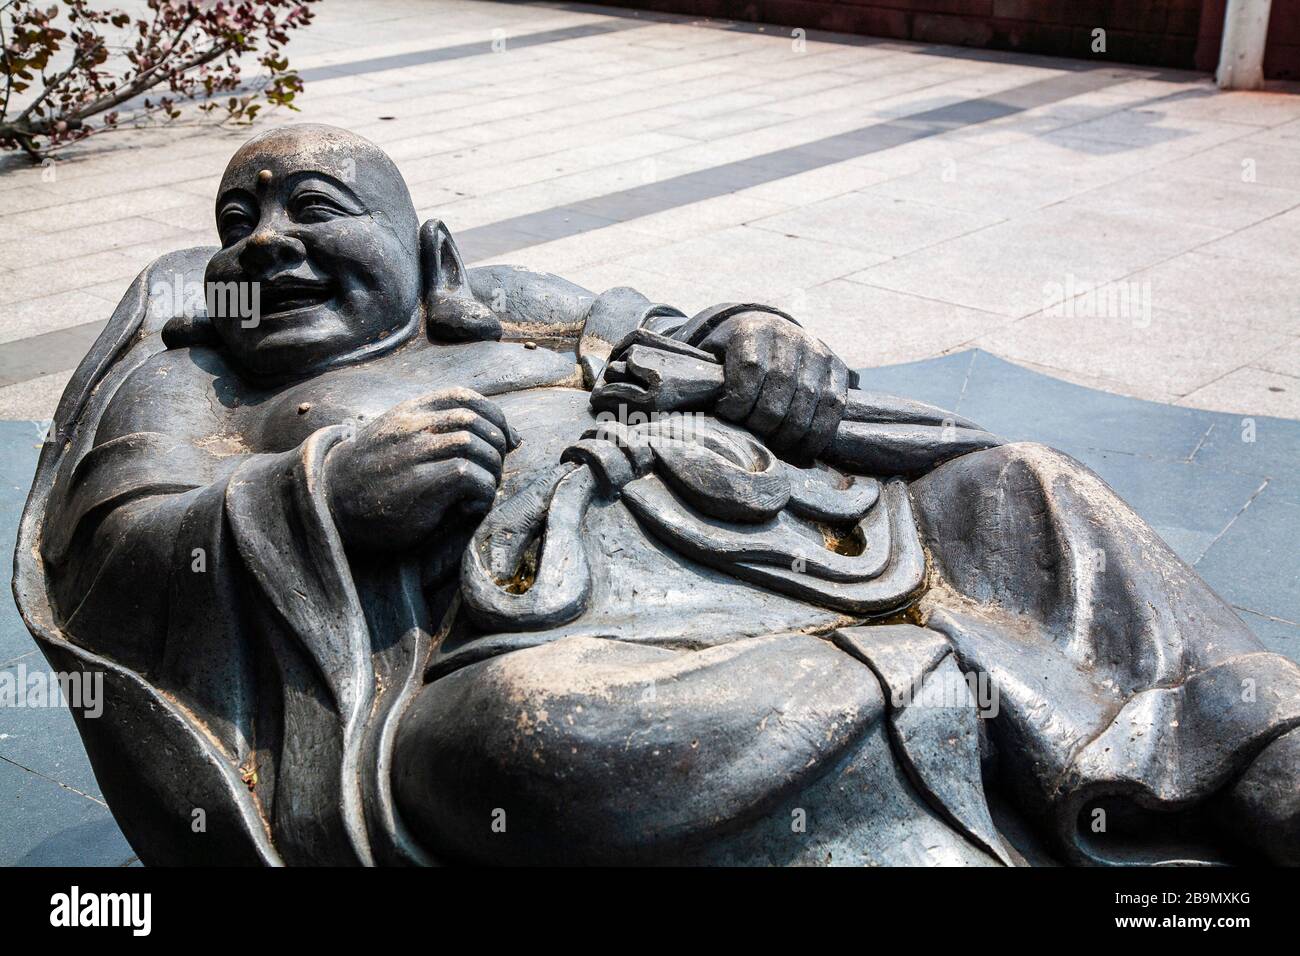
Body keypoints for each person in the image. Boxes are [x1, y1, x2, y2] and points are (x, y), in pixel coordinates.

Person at [16, 125, 1298, 866]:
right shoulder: (202, 376)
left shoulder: (492, 306)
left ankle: (1253, 758)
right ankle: (955, 745)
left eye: (312, 206)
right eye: (237, 219)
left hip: (780, 531)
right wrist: (318, 497)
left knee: (1016, 487)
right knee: (519, 738)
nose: (265, 241)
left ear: (431, 253)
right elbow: (115, 551)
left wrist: (761, 334)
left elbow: (684, 326)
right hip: (545, 642)